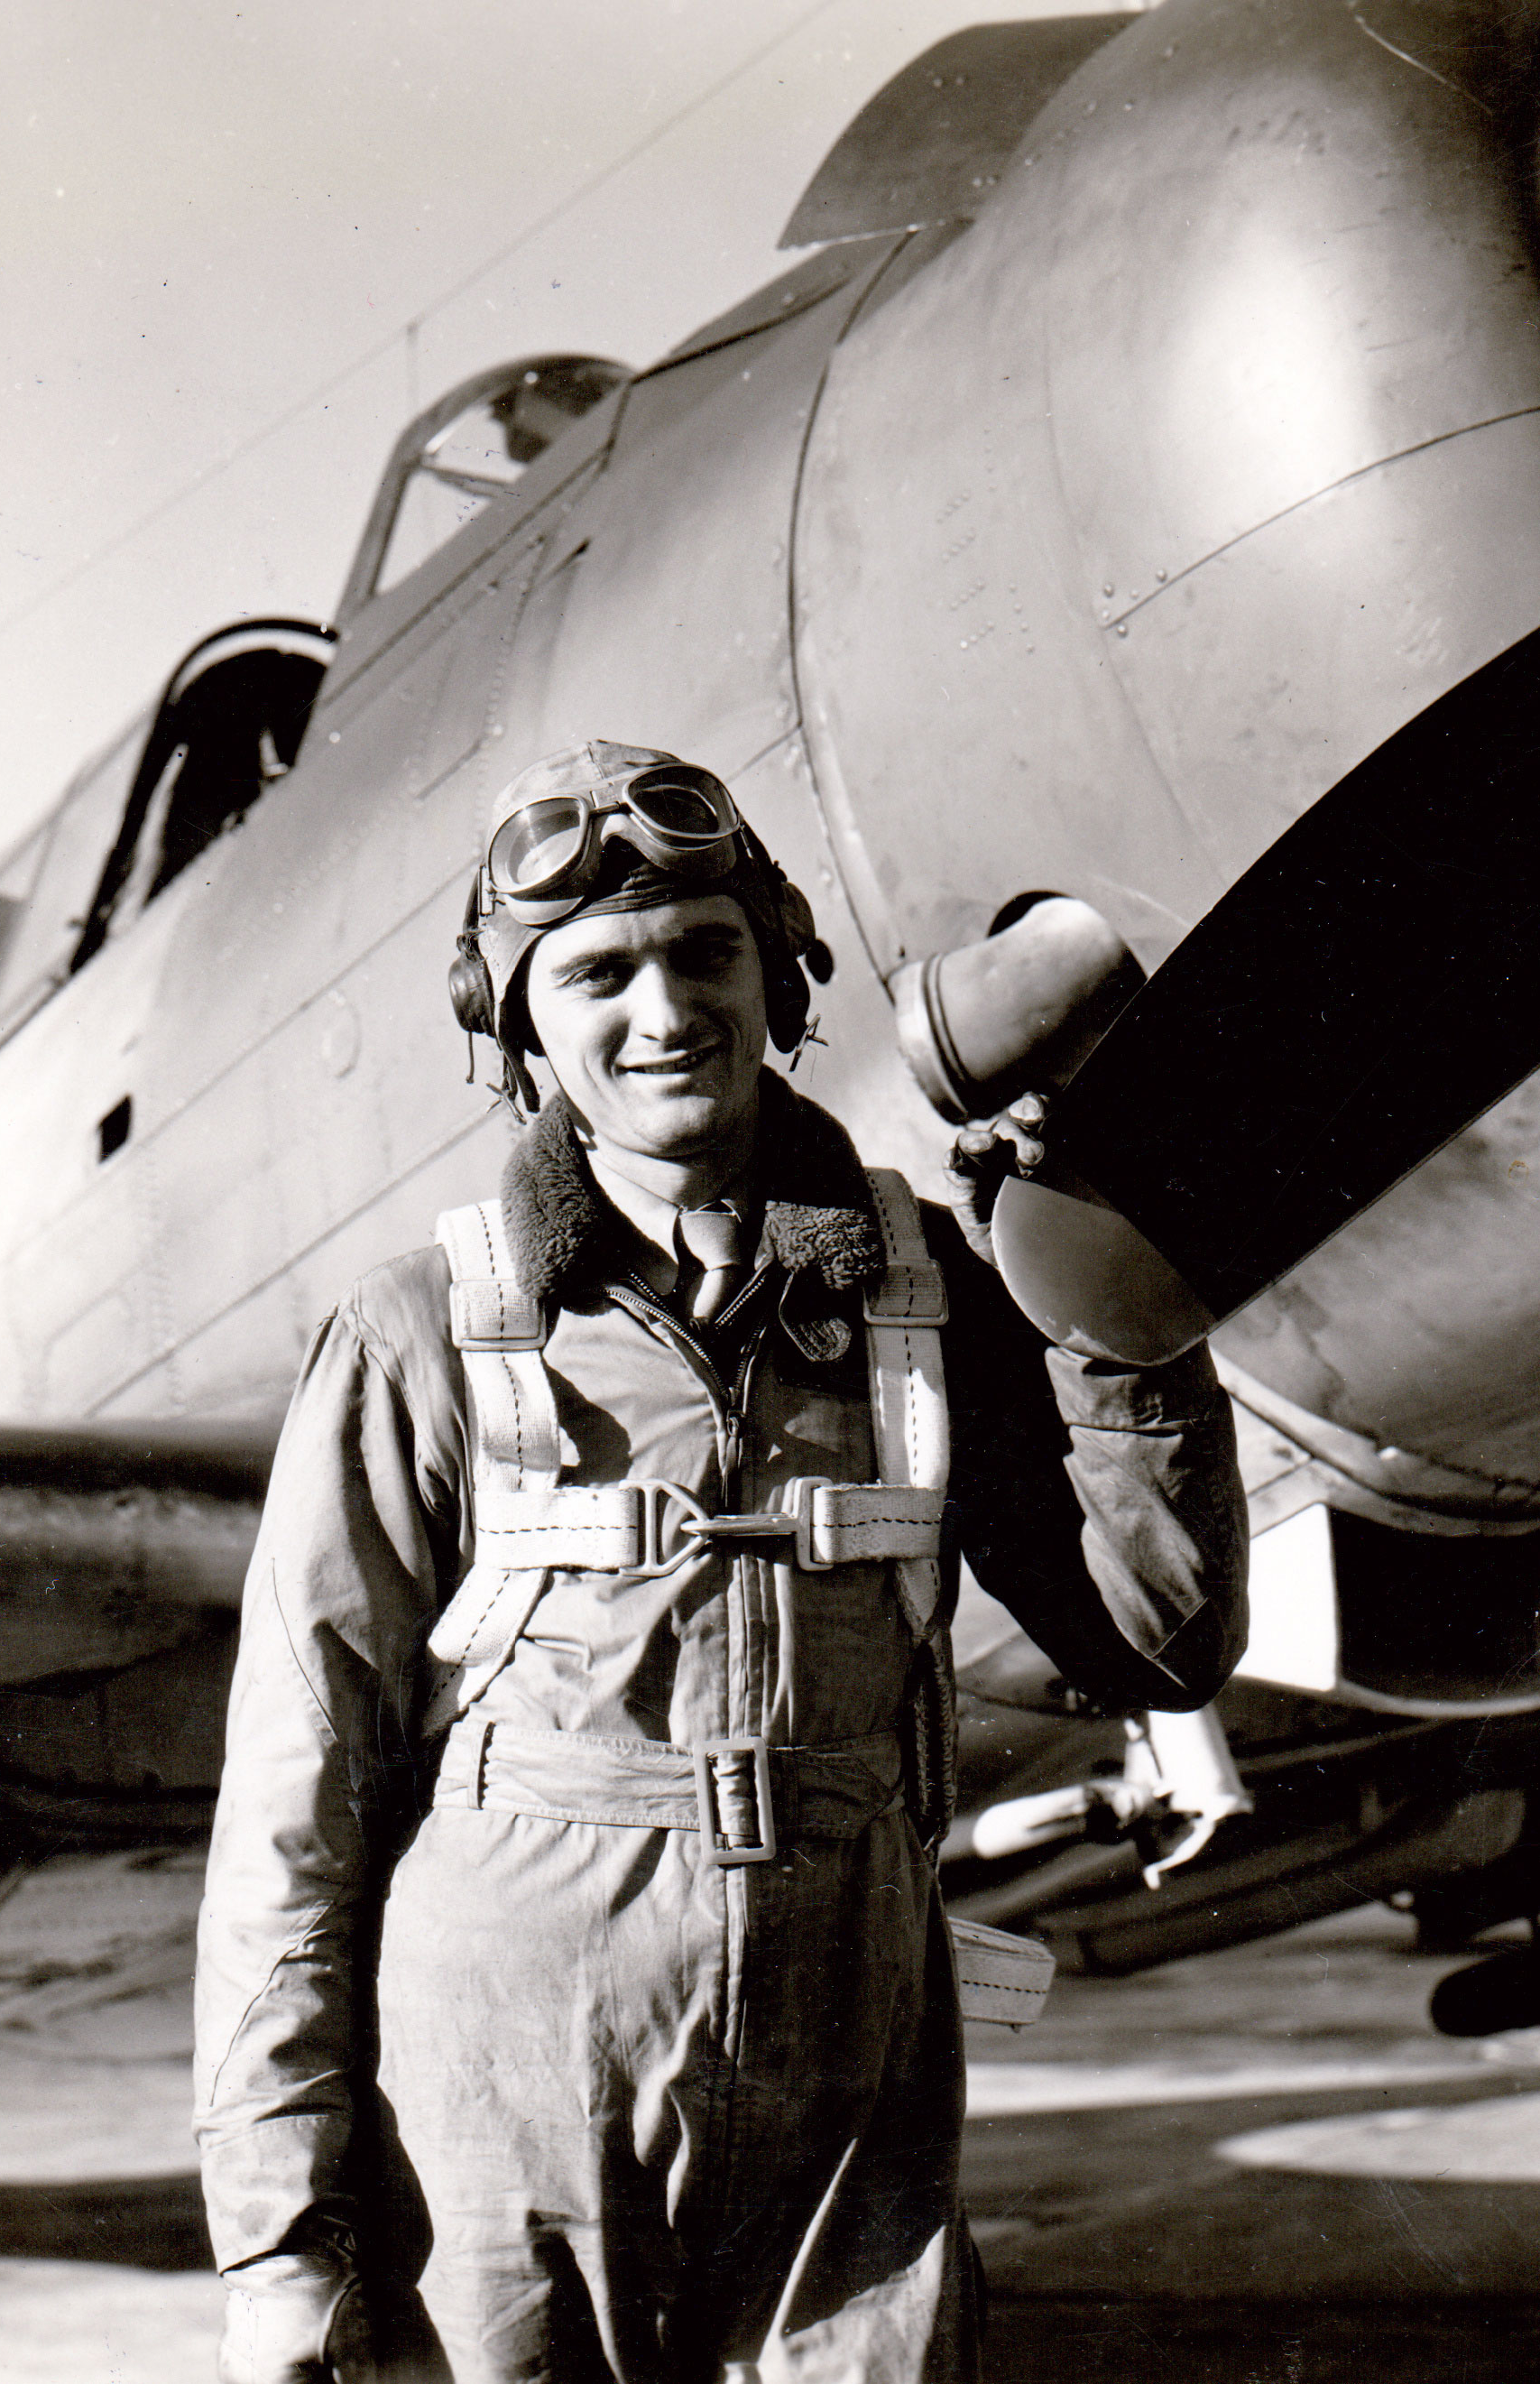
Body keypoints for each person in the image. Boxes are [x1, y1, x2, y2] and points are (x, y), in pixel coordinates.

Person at [194, 741, 1249, 2384]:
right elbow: (294, 1805)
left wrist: (1121, 1291)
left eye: (705, 951)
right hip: (505, 2114)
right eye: (598, 973)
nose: (666, 1008)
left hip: (852, 2113)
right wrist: (276, 2237)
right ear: (518, 1026)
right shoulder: (421, 1334)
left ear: (777, 974)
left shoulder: (924, 1295)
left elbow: (1157, 1640)